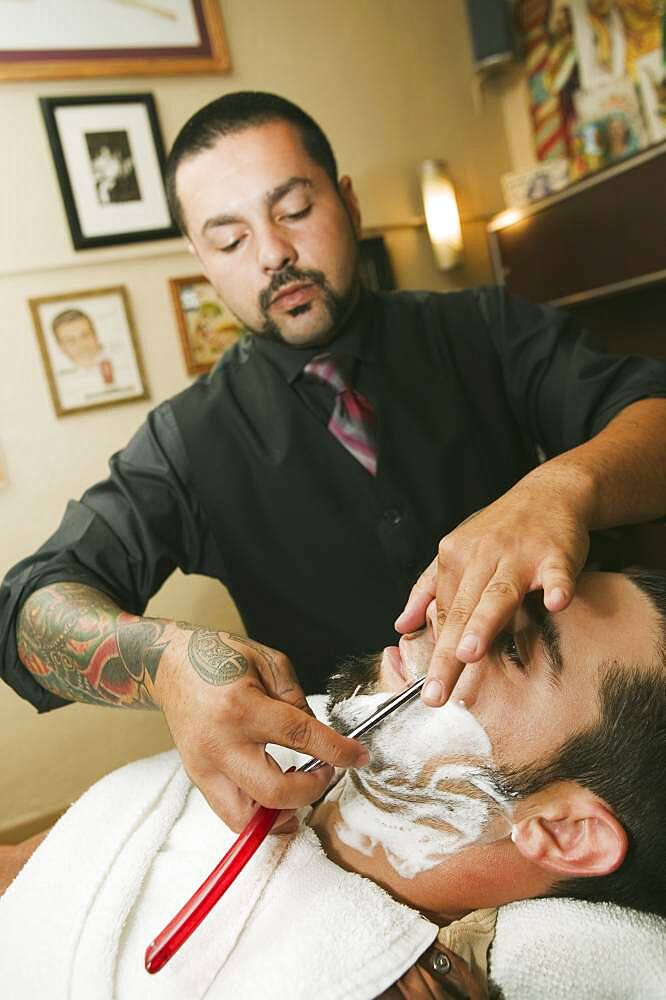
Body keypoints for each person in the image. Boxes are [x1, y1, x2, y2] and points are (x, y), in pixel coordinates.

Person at [2, 91, 666, 839]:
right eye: (229, 240)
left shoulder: (486, 328)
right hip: (377, 809)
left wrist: (563, 485)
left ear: (346, 202)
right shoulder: (185, 442)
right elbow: (29, 608)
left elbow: (653, 414)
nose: (273, 253)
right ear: (201, 261)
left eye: (292, 209)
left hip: (586, 758)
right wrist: (158, 661)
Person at [1, 569, 665, 998]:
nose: (441, 617)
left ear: (565, 830)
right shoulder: (289, 737)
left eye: (514, 649)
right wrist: (167, 660)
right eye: (473, 600)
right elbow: (30, 875)